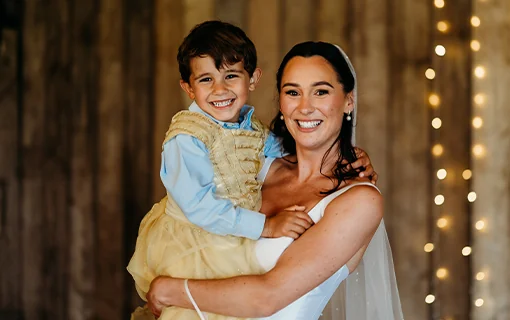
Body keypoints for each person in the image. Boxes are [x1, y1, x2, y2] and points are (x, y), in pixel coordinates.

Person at [127, 22, 377, 319]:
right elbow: (200, 204)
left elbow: (266, 298)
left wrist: (168, 290)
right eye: (292, 92)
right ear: (281, 102)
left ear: (349, 100)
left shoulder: (358, 200)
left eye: (321, 92)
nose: (305, 107)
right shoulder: (257, 165)